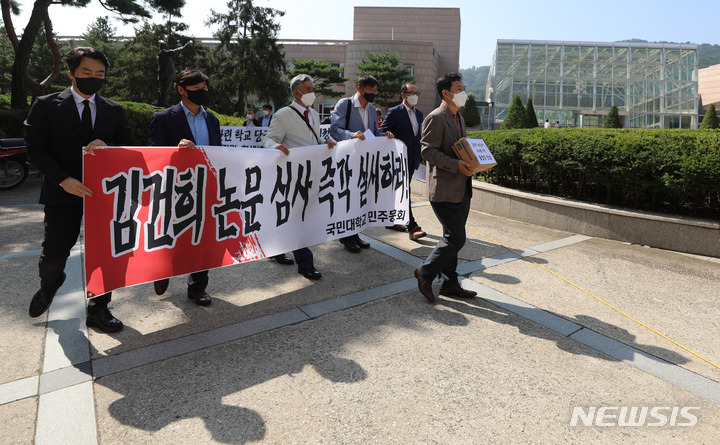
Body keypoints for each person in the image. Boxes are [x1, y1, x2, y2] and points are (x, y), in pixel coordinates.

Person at [25, 47, 133, 332]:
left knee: (105, 253)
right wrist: (64, 180)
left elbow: (130, 149)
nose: (94, 78)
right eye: (87, 72)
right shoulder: (47, 105)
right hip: (63, 192)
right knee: (54, 254)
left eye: (100, 74)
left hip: (106, 196)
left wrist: (110, 149)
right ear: (72, 73)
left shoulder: (114, 110)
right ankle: (50, 283)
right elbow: (36, 150)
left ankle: (99, 308)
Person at [147, 69, 221, 306]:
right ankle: (163, 270)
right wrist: (174, 150)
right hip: (174, 188)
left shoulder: (213, 120)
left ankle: (197, 287)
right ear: (181, 90)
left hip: (205, 188)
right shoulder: (164, 118)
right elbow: (153, 154)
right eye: (197, 90)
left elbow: (218, 154)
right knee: (171, 235)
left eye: (205, 89)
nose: (203, 93)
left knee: (203, 239)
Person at [263, 74, 337, 280]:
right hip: (293, 175)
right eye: (309, 89)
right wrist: (274, 146)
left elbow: (314, 137)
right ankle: (305, 263)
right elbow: (269, 138)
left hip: (312, 173)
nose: (312, 93)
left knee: (295, 216)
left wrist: (325, 141)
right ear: (297, 92)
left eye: (313, 88)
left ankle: (277, 248)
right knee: (299, 218)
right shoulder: (283, 114)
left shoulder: (313, 112)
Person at [413, 72, 478, 303]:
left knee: (451, 238)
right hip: (443, 189)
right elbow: (428, 152)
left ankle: (450, 283)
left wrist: (477, 162)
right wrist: (456, 165)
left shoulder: (458, 117)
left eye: (463, 88)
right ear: (446, 93)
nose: (463, 92)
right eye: (459, 88)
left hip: (462, 188)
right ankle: (425, 272)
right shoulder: (436, 117)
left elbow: (461, 148)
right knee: (455, 239)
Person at [329, 75, 394, 253]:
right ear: (360, 88)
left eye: (375, 90)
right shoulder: (345, 104)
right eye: (370, 90)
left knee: (359, 197)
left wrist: (384, 135)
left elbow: (373, 132)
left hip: (365, 161)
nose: (374, 93)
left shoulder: (372, 109)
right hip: (347, 159)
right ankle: (345, 235)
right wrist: (351, 135)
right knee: (347, 197)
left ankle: (355, 232)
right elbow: (334, 129)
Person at [379, 82, 427, 240]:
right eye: (411, 92)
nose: (415, 96)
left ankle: (392, 220)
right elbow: (381, 131)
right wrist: (391, 137)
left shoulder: (419, 114)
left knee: (399, 190)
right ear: (403, 95)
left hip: (413, 159)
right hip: (398, 159)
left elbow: (417, 137)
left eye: (416, 93)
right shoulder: (395, 112)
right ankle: (412, 226)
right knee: (405, 191)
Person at [157, 40, 193, 107]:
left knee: (164, 89)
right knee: (165, 89)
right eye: (166, 45)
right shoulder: (163, 52)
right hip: (166, 75)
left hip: (167, 75)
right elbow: (173, 52)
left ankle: (163, 103)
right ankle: (163, 103)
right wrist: (184, 47)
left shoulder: (165, 54)